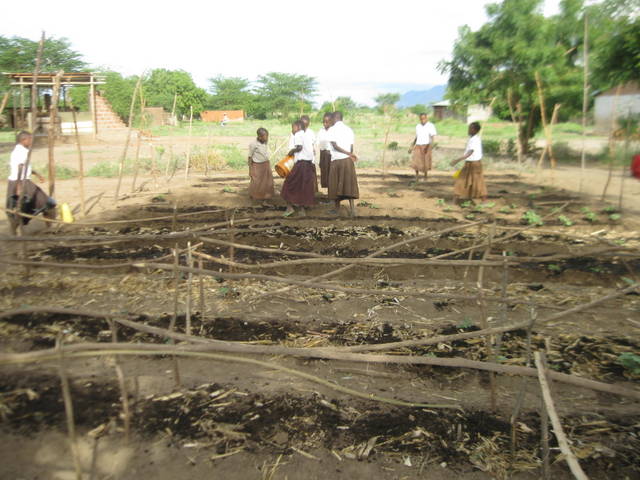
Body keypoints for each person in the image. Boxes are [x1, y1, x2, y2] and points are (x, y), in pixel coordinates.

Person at [6, 130, 56, 235]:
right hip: (20, 182)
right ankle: (50, 227)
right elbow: (19, 168)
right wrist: (19, 188)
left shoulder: (22, 150)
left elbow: (24, 167)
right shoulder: (19, 152)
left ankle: (14, 229)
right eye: (30, 139)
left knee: (21, 207)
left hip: (20, 181)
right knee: (47, 203)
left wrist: (37, 174)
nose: (32, 141)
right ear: (23, 140)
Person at [281, 120, 317, 217]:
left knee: (288, 184)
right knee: (303, 186)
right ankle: (302, 210)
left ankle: (289, 208)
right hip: (308, 164)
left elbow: (299, 148)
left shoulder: (298, 135)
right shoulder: (307, 135)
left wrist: (291, 152)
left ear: (298, 127)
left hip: (301, 164)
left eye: (292, 127)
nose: (292, 130)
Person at [327, 111, 359, 217]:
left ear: (334, 118)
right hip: (347, 160)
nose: (330, 121)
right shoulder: (349, 129)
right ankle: (352, 209)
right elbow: (351, 147)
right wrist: (349, 154)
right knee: (349, 184)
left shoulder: (332, 129)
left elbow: (334, 145)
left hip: (337, 160)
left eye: (331, 119)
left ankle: (337, 209)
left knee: (335, 184)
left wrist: (348, 153)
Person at [450, 122, 487, 203]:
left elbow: (470, 152)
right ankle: (455, 200)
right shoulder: (472, 139)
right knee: (461, 180)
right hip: (469, 163)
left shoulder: (475, 140)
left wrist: (457, 160)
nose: (469, 130)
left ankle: (484, 201)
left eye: (470, 128)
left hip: (474, 164)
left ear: (475, 130)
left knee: (478, 182)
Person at [247, 127, 275, 205]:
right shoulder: (253, 144)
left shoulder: (265, 141)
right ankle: (254, 196)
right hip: (257, 165)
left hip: (265, 164)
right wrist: (250, 169)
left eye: (267, 136)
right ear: (259, 137)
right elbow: (249, 157)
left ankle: (266, 198)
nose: (266, 138)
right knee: (256, 181)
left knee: (267, 182)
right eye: (265, 137)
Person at [408, 112, 437, 182]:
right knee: (416, 160)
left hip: (426, 145)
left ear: (426, 118)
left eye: (424, 119)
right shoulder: (418, 126)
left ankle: (425, 177)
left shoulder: (431, 125)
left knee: (425, 161)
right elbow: (417, 137)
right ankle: (417, 177)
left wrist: (431, 145)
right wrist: (412, 146)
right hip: (418, 145)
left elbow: (432, 136)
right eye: (421, 119)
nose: (422, 120)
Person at [316, 112, 333, 190]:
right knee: (325, 175)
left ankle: (332, 195)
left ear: (331, 121)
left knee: (332, 175)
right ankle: (329, 195)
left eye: (327, 122)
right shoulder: (321, 131)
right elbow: (319, 145)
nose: (324, 123)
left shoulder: (333, 131)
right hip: (323, 154)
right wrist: (320, 160)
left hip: (331, 155)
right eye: (323, 121)